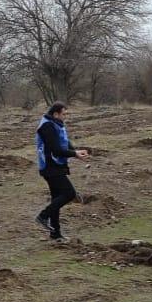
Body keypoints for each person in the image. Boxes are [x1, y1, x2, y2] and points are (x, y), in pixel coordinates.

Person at [35, 101, 89, 243]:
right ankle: (43, 216)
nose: (65, 117)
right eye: (63, 114)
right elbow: (56, 150)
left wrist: (75, 151)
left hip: (55, 167)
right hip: (50, 167)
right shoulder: (47, 126)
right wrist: (74, 154)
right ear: (55, 114)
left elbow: (63, 142)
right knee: (69, 193)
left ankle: (55, 233)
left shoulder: (56, 124)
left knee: (56, 198)